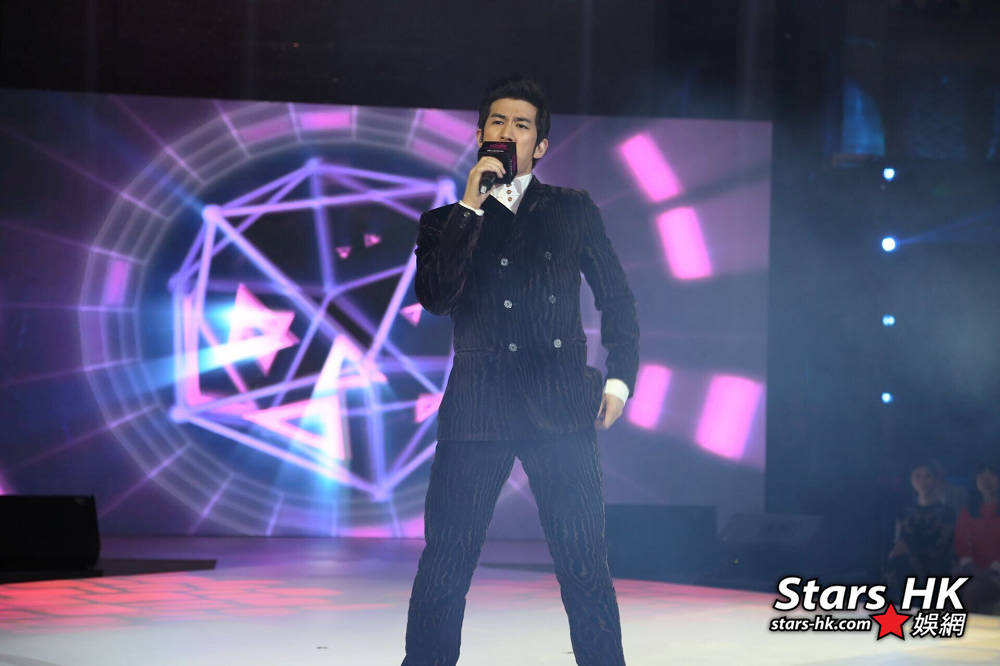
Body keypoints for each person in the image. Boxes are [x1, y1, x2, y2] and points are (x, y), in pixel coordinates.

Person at [401, 77, 639, 666]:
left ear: (541, 144)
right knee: (446, 563)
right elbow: (436, 298)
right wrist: (469, 207)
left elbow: (615, 296)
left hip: (560, 405)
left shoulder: (572, 209)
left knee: (584, 563)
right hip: (477, 410)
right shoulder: (444, 220)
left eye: (522, 125)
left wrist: (619, 378)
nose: (508, 133)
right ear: (480, 134)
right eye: (498, 122)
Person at [884, 461, 956, 601]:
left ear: (935, 480)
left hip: (934, 564)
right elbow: (899, 540)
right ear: (911, 481)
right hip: (903, 563)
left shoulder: (947, 512)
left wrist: (912, 550)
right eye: (917, 476)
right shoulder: (904, 512)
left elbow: (942, 545)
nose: (922, 481)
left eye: (927, 476)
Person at [953, 461, 1000, 614]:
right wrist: (970, 565)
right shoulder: (968, 511)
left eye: (992, 473)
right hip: (971, 569)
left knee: (971, 592)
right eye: (981, 474)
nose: (986, 479)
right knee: (946, 589)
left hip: (995, 574)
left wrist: (991, 570)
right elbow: (961, 543)